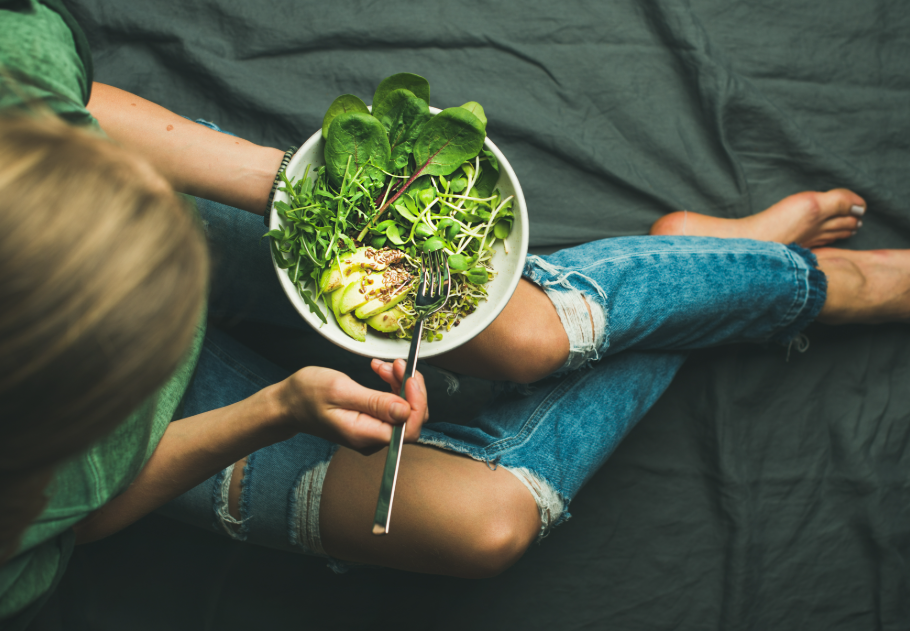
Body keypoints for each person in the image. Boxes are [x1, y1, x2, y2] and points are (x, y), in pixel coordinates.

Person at [2, 0, 907, 624]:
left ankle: (793, 281)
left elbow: (60, 102)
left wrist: (303, 193)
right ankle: (724, 269)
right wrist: (269, 412)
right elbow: (84, 514)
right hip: (134, 408)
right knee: (485, 523)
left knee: (522, 335)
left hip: (129, 210)